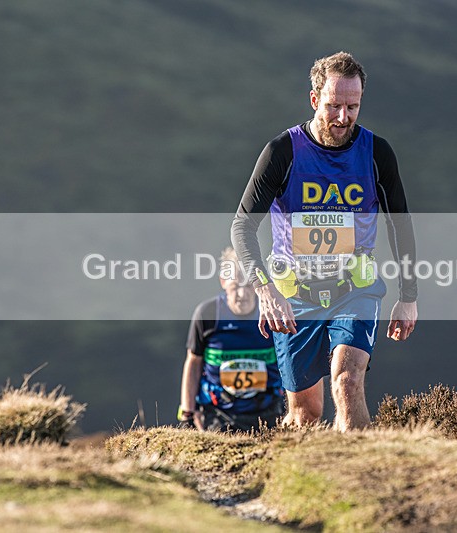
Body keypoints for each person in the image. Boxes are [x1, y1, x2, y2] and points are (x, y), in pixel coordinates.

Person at [231, 51, 418, 431]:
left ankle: (361, 481)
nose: (343, 118)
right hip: (295, 297)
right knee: (306, 414)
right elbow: (242, 226)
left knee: (348, 381)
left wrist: (408, 295)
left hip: (356, 289)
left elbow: (401, 224)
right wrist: (265, 291)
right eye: (334, 106)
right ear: (315, 100)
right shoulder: (282, 152)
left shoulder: (376, 153)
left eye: (353, 106)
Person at [178, 247, 285, 432]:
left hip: (269, 412)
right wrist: (187, 412)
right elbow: (193, 362)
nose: (242, 295)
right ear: (223, 282)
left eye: (248, 286)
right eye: (235, 286)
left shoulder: (272, 312)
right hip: (218, 414)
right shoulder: (208, 313)